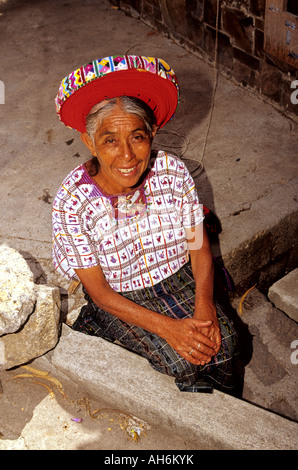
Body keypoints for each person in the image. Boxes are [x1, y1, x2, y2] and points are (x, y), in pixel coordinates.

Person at [52, 55, 238, 394]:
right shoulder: (72, 202)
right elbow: (99, 292)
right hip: (120, 295)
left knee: (224, 342)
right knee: (180, 361)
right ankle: (101, 327)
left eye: (137, 137)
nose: (127, 155)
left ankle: (218, 418)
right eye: (109, 140)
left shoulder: (173, 171)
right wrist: (170, 329)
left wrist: (205, 306)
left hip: (179, 277)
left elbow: (198, 247)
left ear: (152, 133)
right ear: (90, 142)